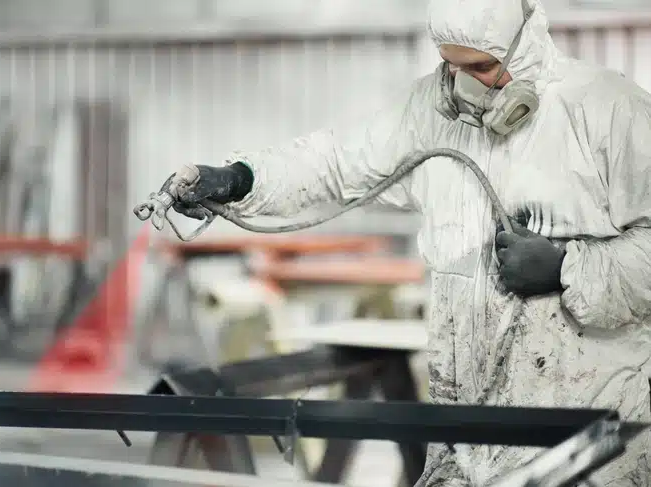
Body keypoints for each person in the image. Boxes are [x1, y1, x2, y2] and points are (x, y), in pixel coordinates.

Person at [165, 0, 651, 484]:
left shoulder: (606, 109)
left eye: (482, 67)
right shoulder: (433, 111)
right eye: (453, 66)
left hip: (586, 440)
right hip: (465, 439)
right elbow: (337, 165)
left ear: (524, 45)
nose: (467, 86)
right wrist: (239, 180)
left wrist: (567, 268)